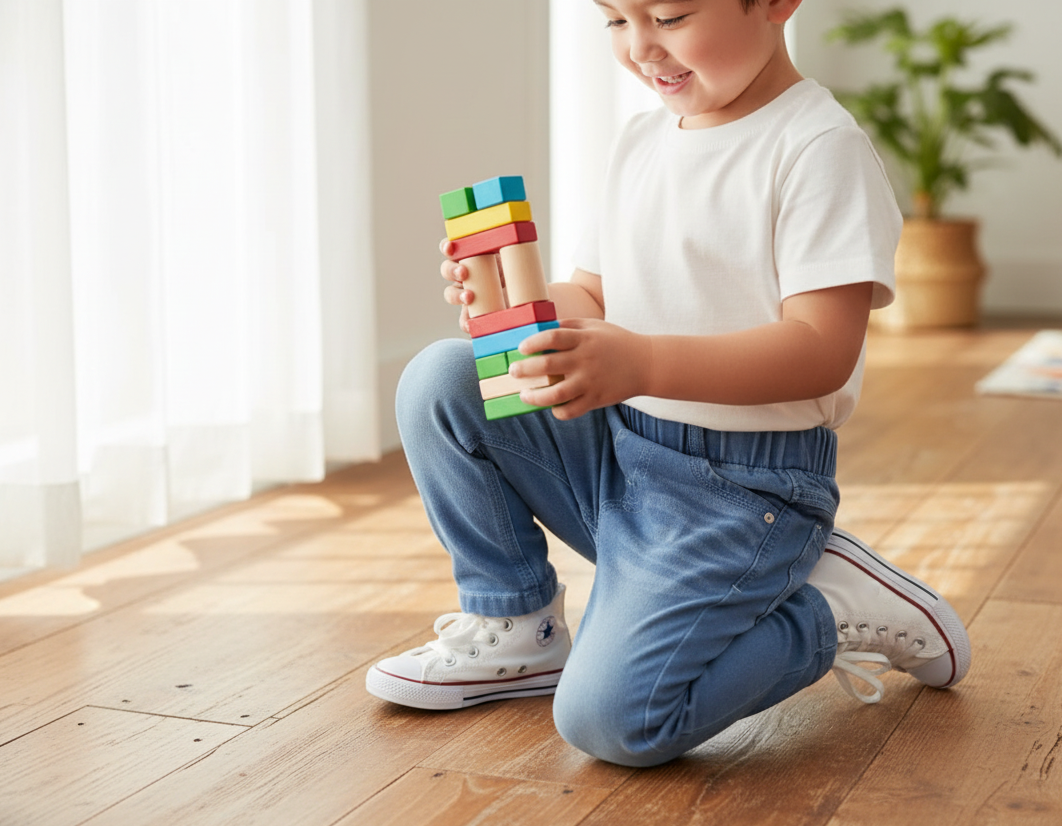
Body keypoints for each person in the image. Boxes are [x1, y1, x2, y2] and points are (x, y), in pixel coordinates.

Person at [366, 0, 970, 767]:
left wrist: (643, 364)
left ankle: (829, 605)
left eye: (671, 15)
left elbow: (823, 349)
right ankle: (517, 627)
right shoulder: (642, 140)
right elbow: (596, 294)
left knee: (613, 723)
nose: (641, 47)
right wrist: (518, 311)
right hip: (624, 453)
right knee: (444, 380)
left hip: (744, 492)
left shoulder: (819, 147)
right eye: (615, 21)